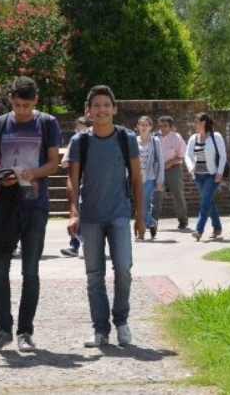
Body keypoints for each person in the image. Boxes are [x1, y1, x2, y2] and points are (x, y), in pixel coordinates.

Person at [0, 76, 62, 354]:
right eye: (17, 105)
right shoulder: (0, 123)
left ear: (35, 100)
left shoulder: (48, 123)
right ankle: (3, 329)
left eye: (26, 105)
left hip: (35, 203)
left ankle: (25, 331)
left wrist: (35, 172)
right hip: (5, 203)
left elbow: (55, 162)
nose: (22, 110)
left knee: (30, 271)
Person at [67, 85, 146, 348]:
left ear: (114, 108)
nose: (101, 109)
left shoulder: (127, 138)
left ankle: (121, 321)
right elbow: (73, 180)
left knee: (123, 268)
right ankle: (100, 329)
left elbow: (136, 178)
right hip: (90, 216)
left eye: (106, 104)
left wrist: (141, 216)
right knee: (94, 275)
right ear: (88, 111)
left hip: (119, 215)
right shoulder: (81, 141)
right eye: (96, 105)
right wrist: (73, 212)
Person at [184, 112, 227, 241]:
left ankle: (198, 230)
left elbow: (223, 156)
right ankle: (217, 227)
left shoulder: (216, 136)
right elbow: (187, 155)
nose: (194, 125)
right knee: (208, 201)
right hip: (198, 175)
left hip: (212, 175)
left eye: (196, 122)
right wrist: (190, 167)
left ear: (203, 123)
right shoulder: (193, 138)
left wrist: (219, 173)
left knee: (204, 202)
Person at [59, 116, 91, 257]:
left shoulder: (94, 140)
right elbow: (64, 162)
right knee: (77, 213)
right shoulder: (76, 141)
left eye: (81, 127)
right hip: (77, 181)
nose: (78, 131)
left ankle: (87, 244)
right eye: (77, 128)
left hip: (91, 184)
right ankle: (75, 245)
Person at [155, 116, 188, 231]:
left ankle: (183, 221)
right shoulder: (155, 137)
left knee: (177, 194)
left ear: (171, 127)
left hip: (173, 168)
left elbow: (183, 154)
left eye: (165, 126)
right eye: (160, 126)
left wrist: (171, 161)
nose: (162, 128)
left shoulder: (176, 137)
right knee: (157, 194)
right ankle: (153, 221)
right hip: (158, 169)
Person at [135, 116, 162, 240]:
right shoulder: (134, 141)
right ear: (138, 127)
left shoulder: (155, 141)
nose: (144, 127)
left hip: (150, 176)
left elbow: (160, 161)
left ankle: (143, 230)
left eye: (146, 125)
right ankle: (151, 223)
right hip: (137, 177)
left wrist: (160, 180)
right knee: (140, 204)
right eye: (142, 124)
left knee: (142, 204)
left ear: (151, 127)